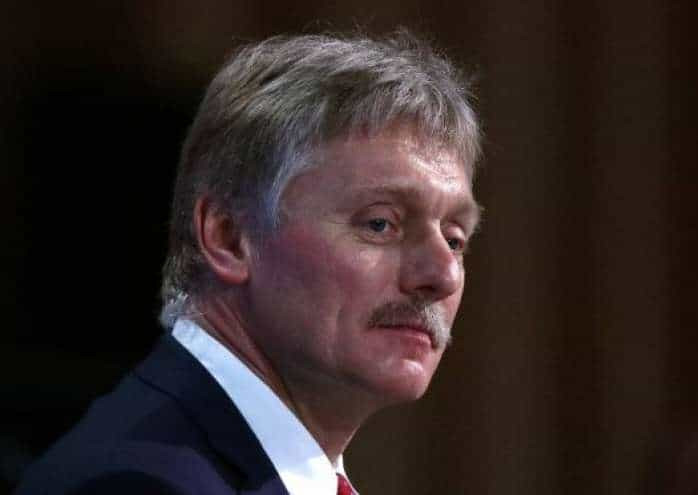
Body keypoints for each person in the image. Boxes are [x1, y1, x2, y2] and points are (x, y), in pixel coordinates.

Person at [15, 29, 482, 495]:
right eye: (380, 224)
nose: (441, 275)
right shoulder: (144, 485)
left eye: (455, 239)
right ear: (230, 238)